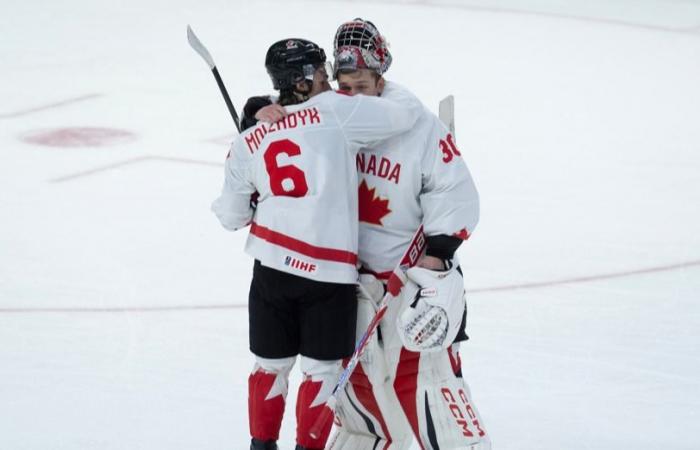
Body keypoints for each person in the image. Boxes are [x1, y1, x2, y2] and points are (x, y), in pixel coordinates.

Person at [252, 19, 491, 450]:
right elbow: (284, 122)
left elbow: (455, 191)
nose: (353, 94)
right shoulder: (328, 113)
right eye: (344, 84)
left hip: (405, 285)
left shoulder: (415, 123)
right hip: (342, 285)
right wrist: (259, 109)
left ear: (381, 75)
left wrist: (437, 262)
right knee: (356, 396)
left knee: (425, 382)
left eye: (362, 84)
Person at [211, 38, 420, 450]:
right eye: (324, 76)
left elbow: (231, 217)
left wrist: (254, 115)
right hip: (328, 276)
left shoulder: (249, 140)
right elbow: (404, 116)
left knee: (269, 366)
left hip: (271, 270)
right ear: (305, 81)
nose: (331, 83)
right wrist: (379, 79)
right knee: (322, 372)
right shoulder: (338, 113)